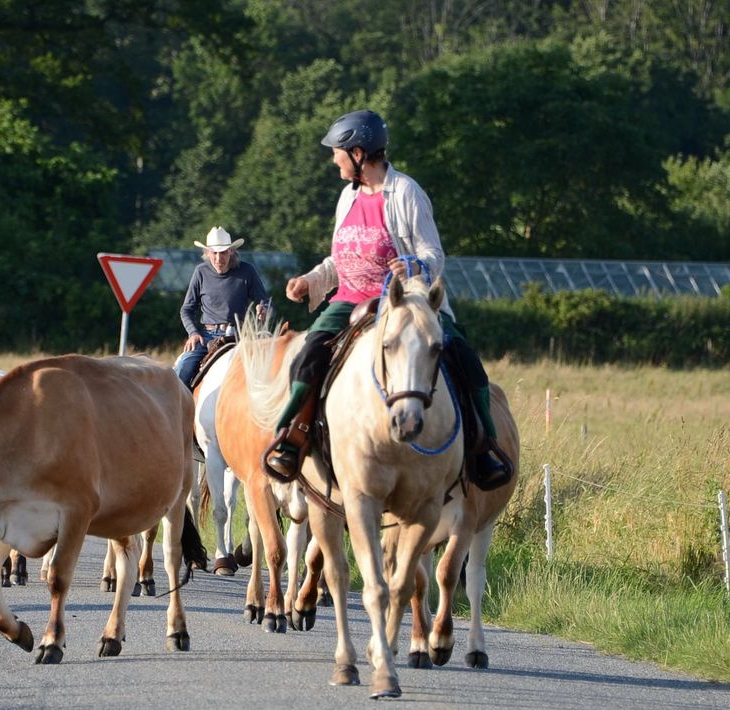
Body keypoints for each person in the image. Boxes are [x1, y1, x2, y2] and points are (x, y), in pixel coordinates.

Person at [263, 109, 510, 489]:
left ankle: (484, 447)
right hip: (348, 300)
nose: (333, 159)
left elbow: (434, 255)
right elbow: (339, 258)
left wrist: (411, 267)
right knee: (308, 354)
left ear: (358, 153)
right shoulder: (347, 197)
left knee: (463, 357)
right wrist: (311, 280)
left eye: (337, 152)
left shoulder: (407, 192)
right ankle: (292, 440)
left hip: (402, 302)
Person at [174, 226, 270, 388]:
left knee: (266, 370)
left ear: (231, 251)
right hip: (207, 337)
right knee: (183, 368)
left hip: (240, 335)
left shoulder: (247, 271)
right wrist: (193, 333)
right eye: (214, 253)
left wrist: (264, 309)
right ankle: (178, 409)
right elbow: (187, 309)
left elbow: (265, 301)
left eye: (223, 252)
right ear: (207, 253)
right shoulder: (200, 272)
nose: (219, 258)